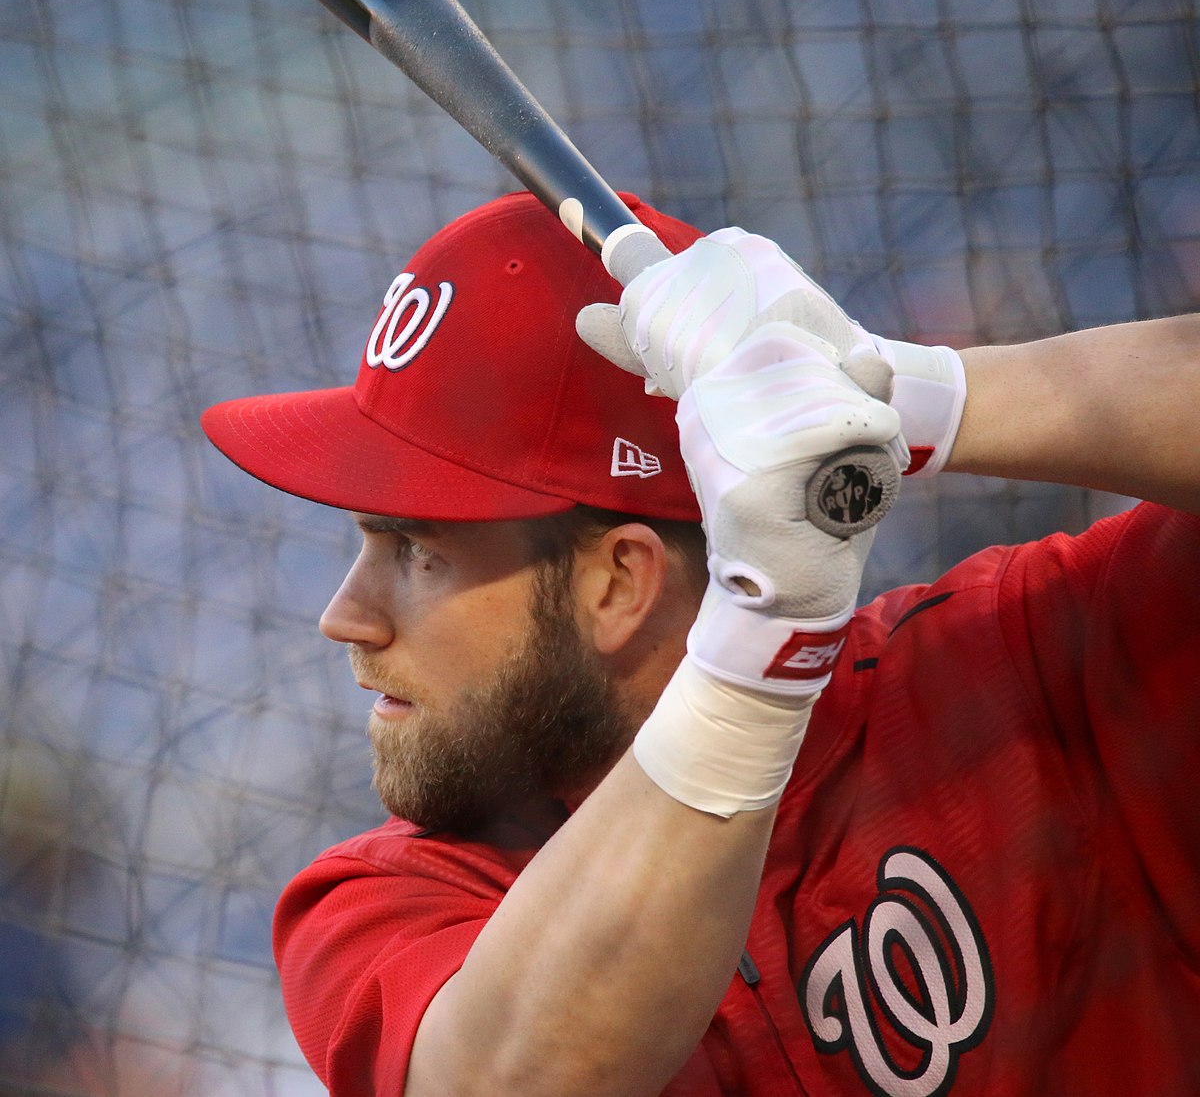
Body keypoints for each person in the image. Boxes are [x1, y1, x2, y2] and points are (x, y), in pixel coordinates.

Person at [201, 190, 1200, 1097]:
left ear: (619, 582)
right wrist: (760, 646)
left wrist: (899, 395)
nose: (347, 616)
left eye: (416, 553)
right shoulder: (390, 903)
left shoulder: (1021, 669)